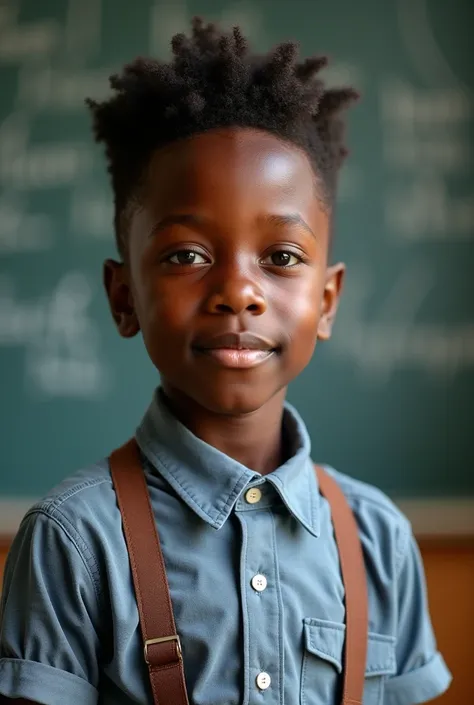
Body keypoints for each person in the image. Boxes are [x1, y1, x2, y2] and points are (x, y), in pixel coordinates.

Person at [0, 18, 451, 705]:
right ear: (125, 297)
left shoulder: (379, 538)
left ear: (327, 300)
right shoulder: (72, 539)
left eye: (282, 257)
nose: (238, 291)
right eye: (187, 255)